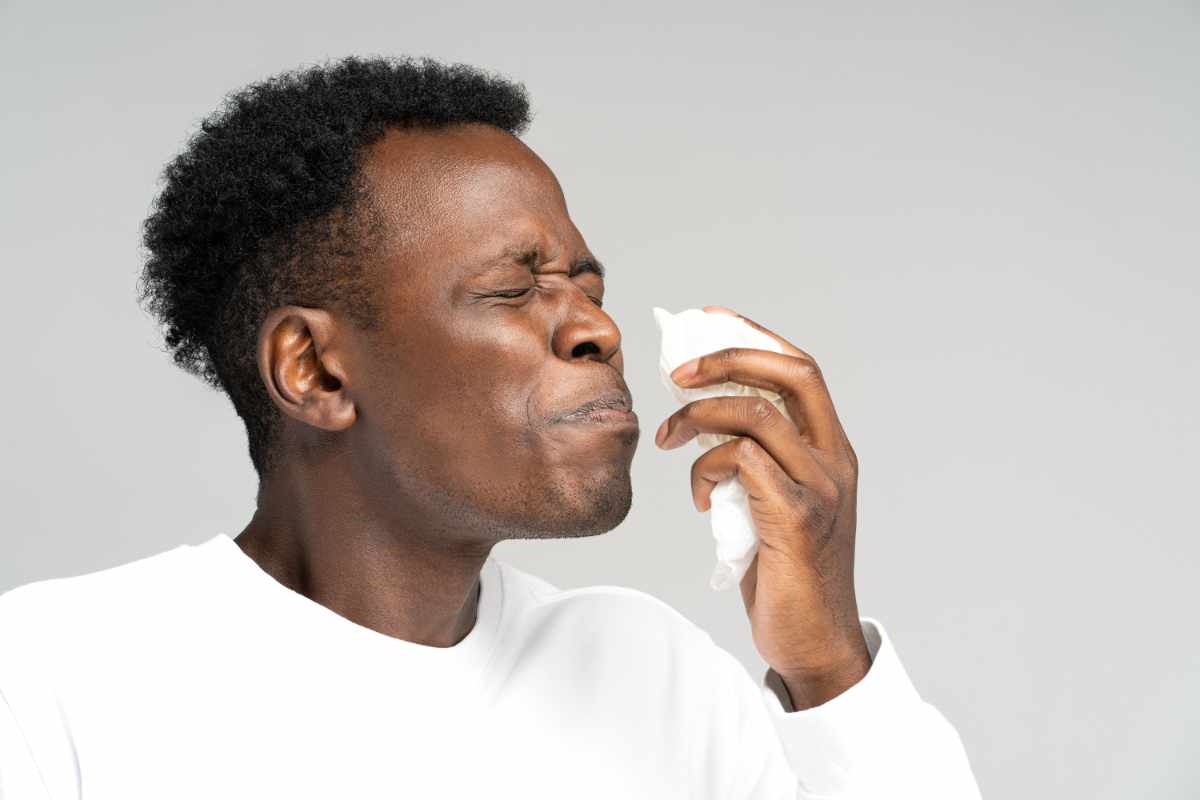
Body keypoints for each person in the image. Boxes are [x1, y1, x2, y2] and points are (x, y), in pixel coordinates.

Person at [0, 56, 981, 799]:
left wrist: (828, 668)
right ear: (314, 368)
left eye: (590, 287)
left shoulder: (651, 672)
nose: (597, 327)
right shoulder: (53, 674)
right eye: (516, 288)